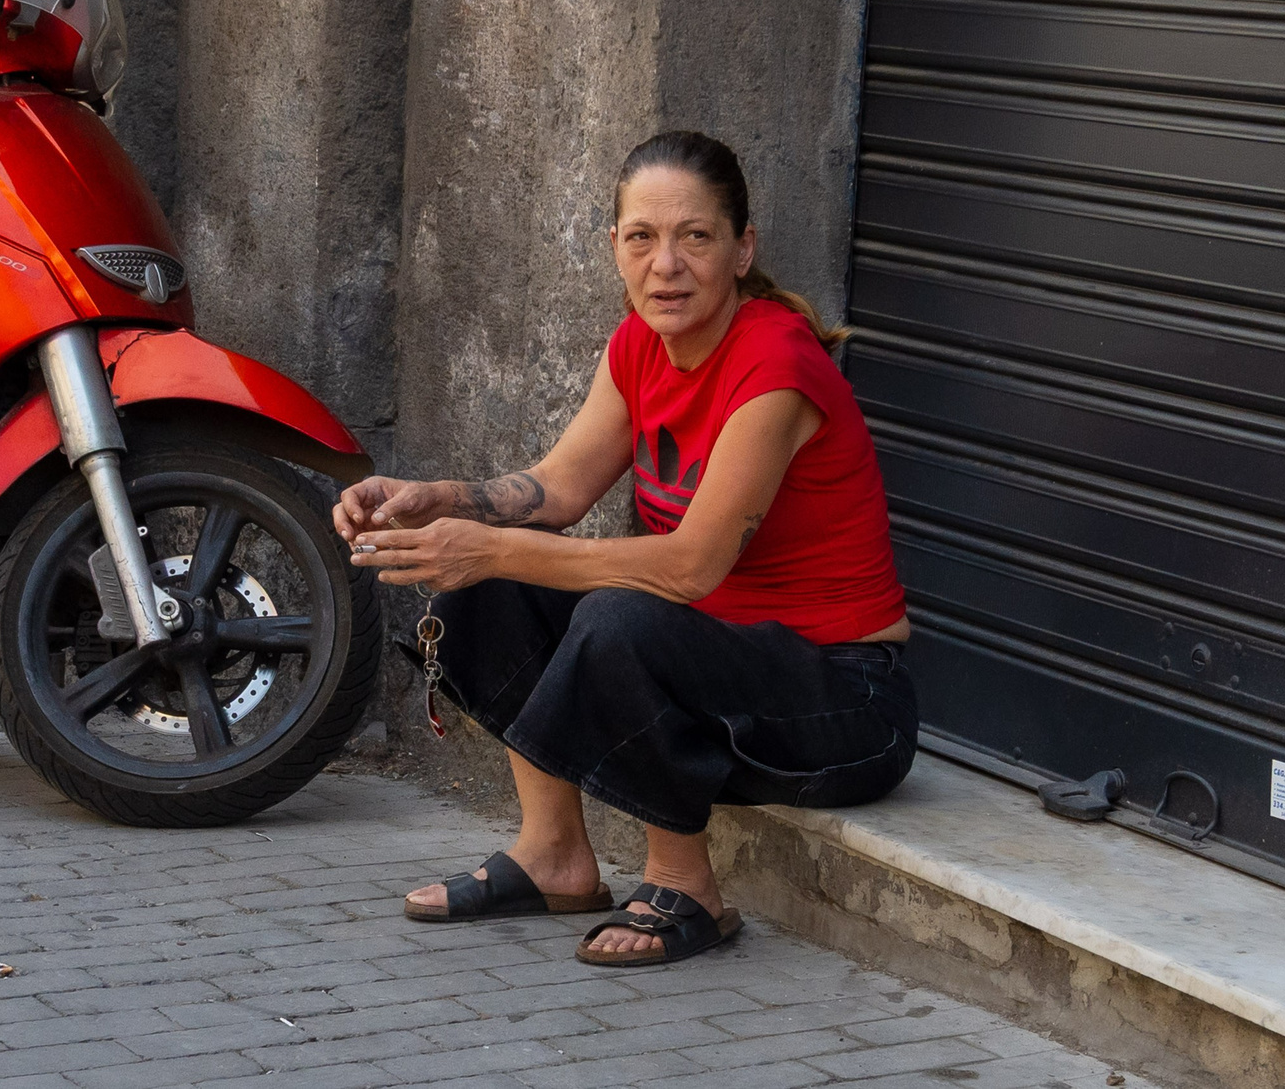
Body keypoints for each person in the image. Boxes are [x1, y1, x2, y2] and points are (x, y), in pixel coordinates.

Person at [335, 131, 915, 968]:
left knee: (610, 612)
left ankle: (688, 885)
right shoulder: (639, 346)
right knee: (487, 583)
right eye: (642, 237)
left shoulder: (775, 364)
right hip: (722, 671)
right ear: (614, 247)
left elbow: (689, 568)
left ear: (742, 248)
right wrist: (433, 497)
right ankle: (554, 855)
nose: (666, 263)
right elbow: (557, 489)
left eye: (696, 236)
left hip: (846, 703)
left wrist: (491, 546)